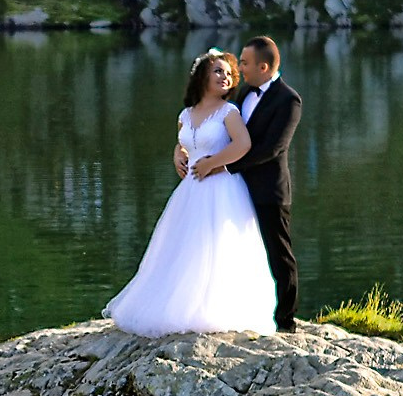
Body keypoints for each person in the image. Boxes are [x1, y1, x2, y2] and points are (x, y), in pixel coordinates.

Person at [104, 49, 279, 338]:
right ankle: (176, 304)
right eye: (218, 71)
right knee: (182, 244)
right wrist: (179, 153)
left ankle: (213, 308)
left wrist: (213, 162)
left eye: (228, 72)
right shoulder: (186, 114)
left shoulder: (229, 112)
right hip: (191, 189)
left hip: (221, 187)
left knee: (215, 245)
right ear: (202, 78)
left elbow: (243, 145)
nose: (225, 77)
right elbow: (185, 141)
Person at [224, 37, 301, 332]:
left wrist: (225, 165)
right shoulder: (244, 92)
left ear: (263, 66)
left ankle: (286, 320)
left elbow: (272, 148)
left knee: (279, 254)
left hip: (270, 191)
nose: (240, 68)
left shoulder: (288, 99)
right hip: (237, 189)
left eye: (244, 63)